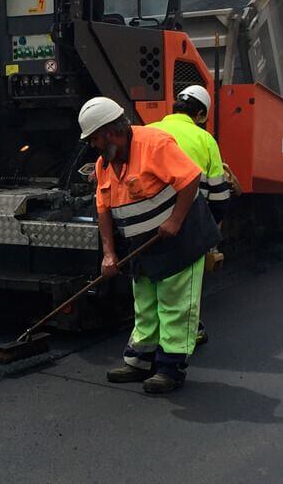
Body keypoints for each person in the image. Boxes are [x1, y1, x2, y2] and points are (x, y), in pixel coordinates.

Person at [80, 96, 220, 393]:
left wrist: (175, 220)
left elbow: (190, 178)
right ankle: (139, 361)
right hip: (141, 244)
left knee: (175, 303)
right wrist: (109, 254)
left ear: (110, 133)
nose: (93, 146)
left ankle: (170, 368)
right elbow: (103, 209)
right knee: (144, 302)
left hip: (180, 238)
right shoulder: (106, 163)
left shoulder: (154, 144)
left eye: (95, 139)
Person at [147, 85, 231, 345]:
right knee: (185, 287)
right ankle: (188, 334)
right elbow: (218, 195)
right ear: (201, 114)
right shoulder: (204, 140)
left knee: (150, 288)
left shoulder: (148, 131)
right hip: (186, 223)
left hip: (144, 222)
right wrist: (210, 230)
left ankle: (147, 341)